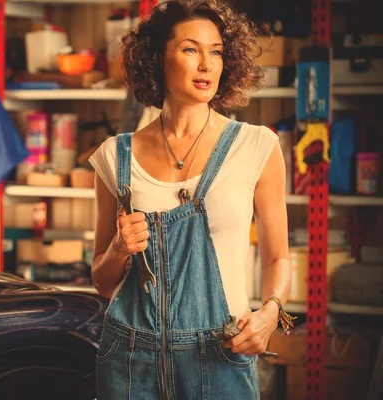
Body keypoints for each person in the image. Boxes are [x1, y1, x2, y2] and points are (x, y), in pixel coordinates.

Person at [88, 0, 293, 398]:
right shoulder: (115, 156)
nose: (207, 64)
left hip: (218, 354)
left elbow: (276, 257)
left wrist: (270, 312)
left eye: (215, 51)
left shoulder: (257, 147)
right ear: (157, 57)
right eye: (190, 49)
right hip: (129, 358)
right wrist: (118, 248)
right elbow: (101, 281)